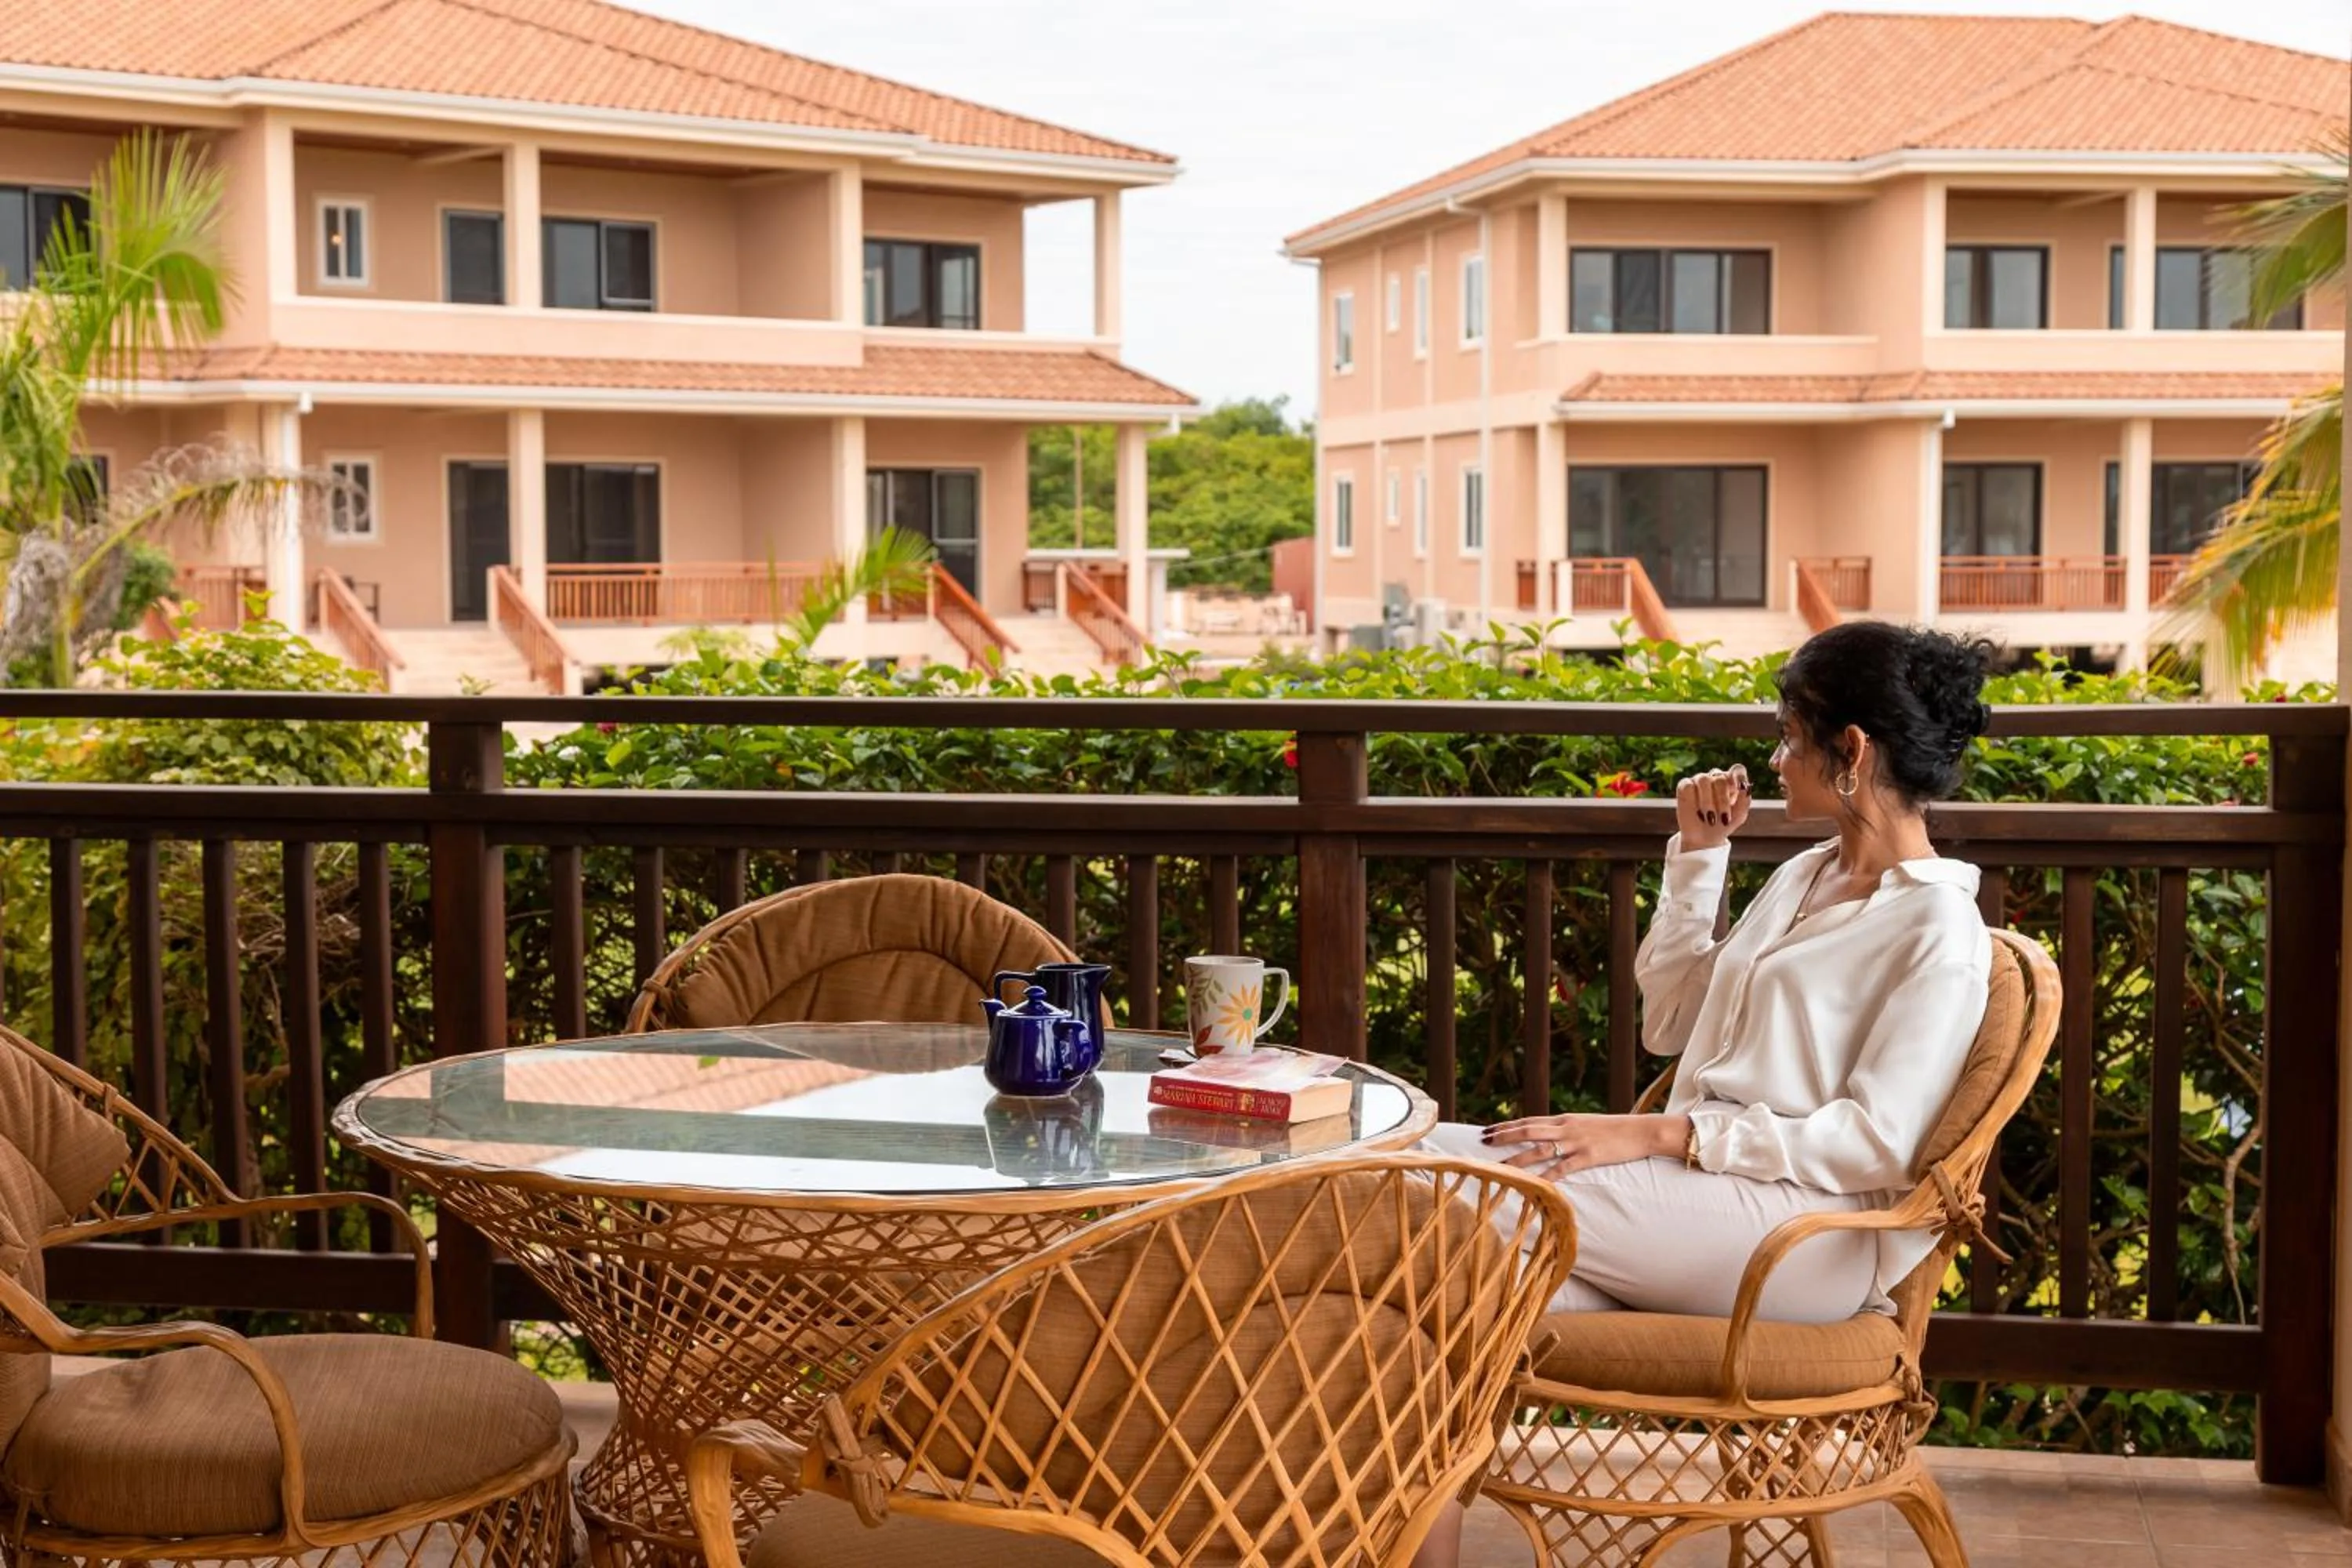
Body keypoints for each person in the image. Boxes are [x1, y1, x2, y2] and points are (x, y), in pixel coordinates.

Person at [1411, 621, 1996, 1567]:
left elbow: (1877, 1141)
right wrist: (1698, 856)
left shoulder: (1939, 928)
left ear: (1850, 750)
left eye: (1789, 736)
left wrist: (1663, 1134)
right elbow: (1673, 1021)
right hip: (1700, 1201)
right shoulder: (1807, 874)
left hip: (1806, 1236)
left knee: (1434, 1178)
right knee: (1438, 1274)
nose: (1774, 759)